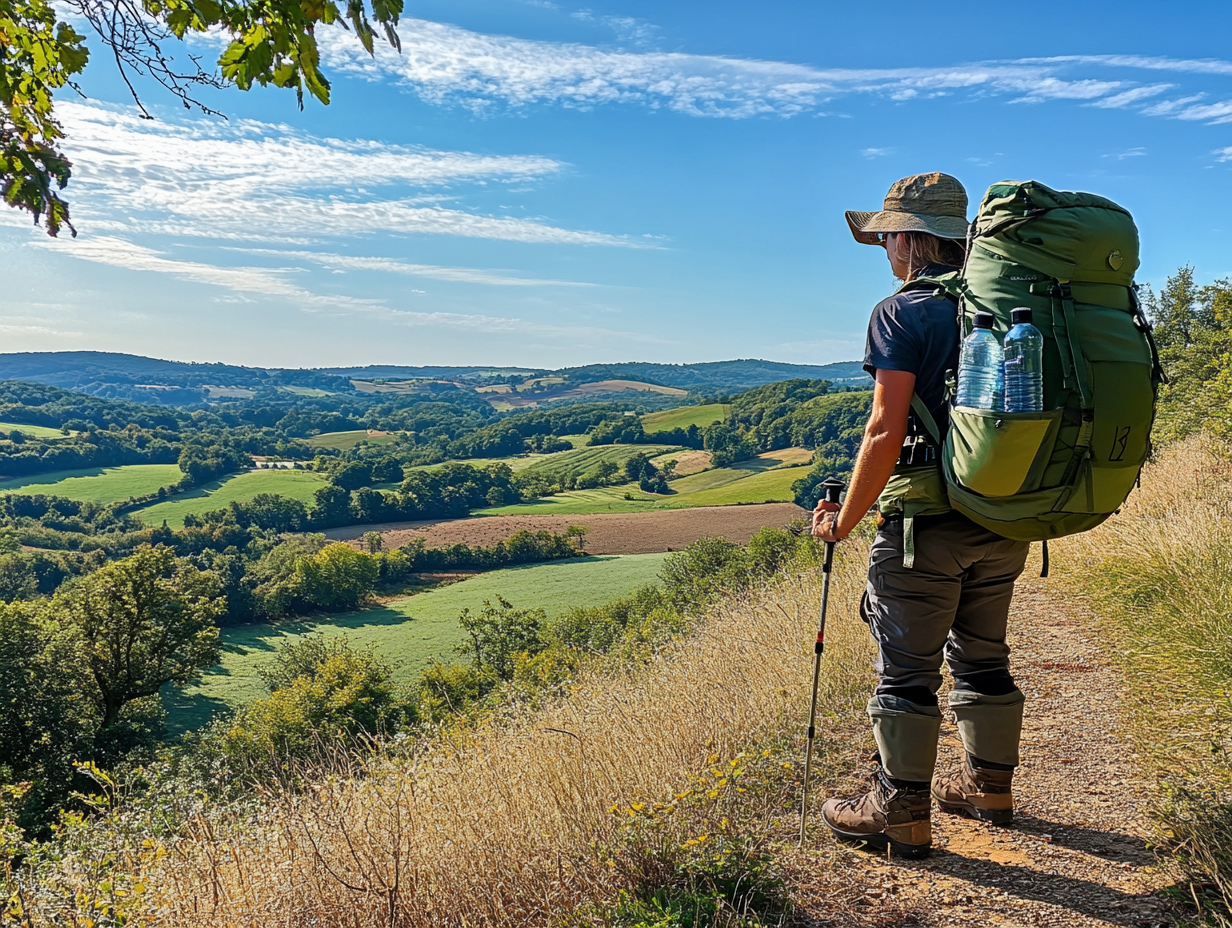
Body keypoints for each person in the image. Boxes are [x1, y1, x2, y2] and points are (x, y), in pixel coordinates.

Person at [811, 172, 1030, 859]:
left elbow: (884, 429)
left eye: (886, 238)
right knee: (983, 656)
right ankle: (989, 790)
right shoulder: (1005, 308)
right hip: (1003, 516)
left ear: (909, 238)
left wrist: (842, 522)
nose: (884, 250)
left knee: (906, 673)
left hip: (920, 531)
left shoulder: (901, 312)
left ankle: (898, 813)